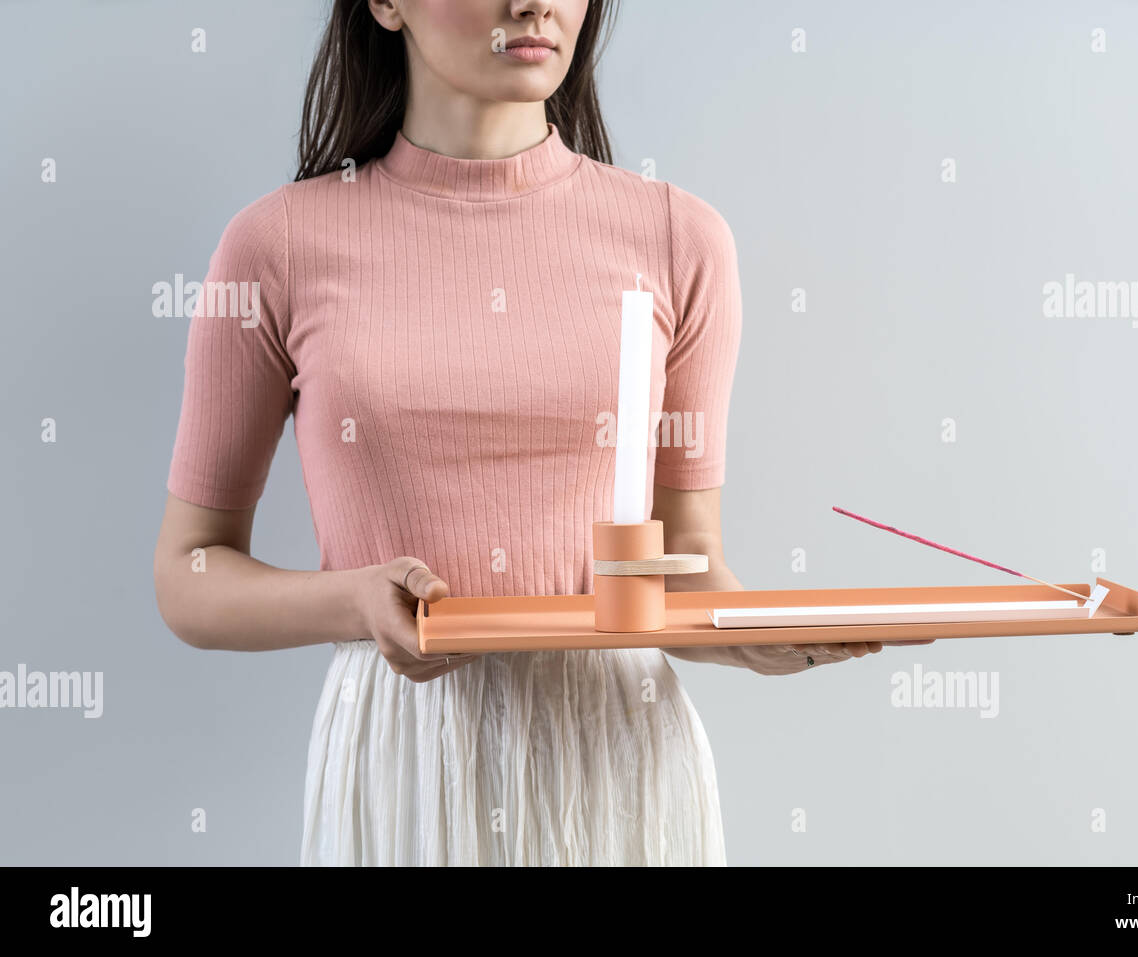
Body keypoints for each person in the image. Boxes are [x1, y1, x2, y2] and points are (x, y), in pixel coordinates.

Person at [153, 0, 898, 866]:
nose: (534, 3)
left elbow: (686, 573)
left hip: (618, 755)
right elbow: (188, 572)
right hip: (406, 761)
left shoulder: (679, 240)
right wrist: (353, 599)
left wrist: (759, 638)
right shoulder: (276, 245)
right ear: (385, 5)